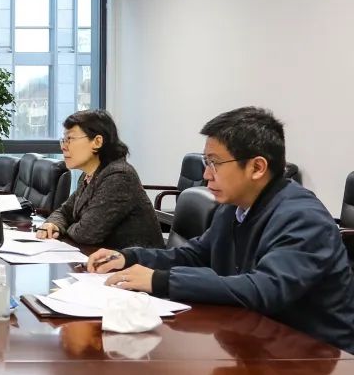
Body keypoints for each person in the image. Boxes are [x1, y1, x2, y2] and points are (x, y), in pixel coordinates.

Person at [88, 107, 354, 353]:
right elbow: (196, 254)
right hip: (257, 341)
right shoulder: (233, 207)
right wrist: (129, 257)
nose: (206, 174)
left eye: (214, 163)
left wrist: (160, 280)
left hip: (317, 359)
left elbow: (263, 289)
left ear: (257, 167)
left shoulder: (303, 218)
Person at [36, 109, 163, 249]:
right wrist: (53, 224)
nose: (64, 147)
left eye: (70, 139)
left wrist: (64, 227)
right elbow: (65, 211)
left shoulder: (119, 176)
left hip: (136, 261)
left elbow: (86, 234)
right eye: (63, 140)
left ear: (97, 141)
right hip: (102, 256)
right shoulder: (89, 175)